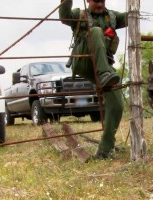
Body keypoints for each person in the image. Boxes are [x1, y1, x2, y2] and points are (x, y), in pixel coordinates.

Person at [59, 0, 128, 159]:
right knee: (96, 31)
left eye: (102, 0)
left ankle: (105, 149)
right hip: (83, 61)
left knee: (117, 104)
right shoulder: (79, 13)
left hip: (103, 66)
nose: (99, 4)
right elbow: (64, 17)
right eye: (96, 0)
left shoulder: (111, 17)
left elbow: (131, 17)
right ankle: (104, 75)